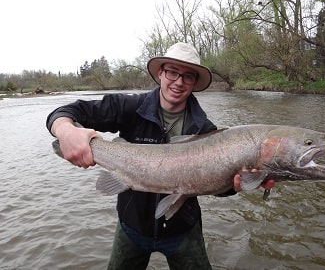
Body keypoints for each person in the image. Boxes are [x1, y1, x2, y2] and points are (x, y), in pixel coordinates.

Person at [46, 42, 274, 269]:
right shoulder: (129, 106)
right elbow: (67, 112)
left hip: (183, 230)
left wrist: (235, 185)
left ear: (194, 83)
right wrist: (66, 130)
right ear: (160, 73)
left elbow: (219, 188)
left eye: (188, 76)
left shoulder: (206, 129)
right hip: (131, 227)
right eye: (172, 72)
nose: (179, 82)